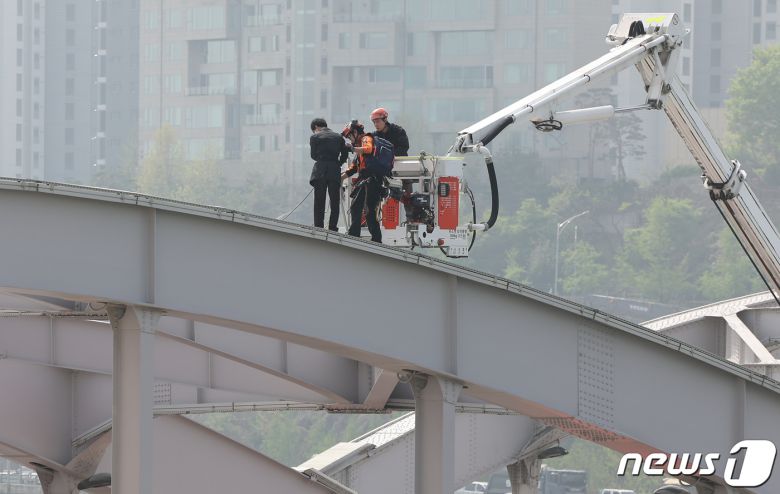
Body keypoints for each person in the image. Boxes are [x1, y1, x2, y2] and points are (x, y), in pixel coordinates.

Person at [342, 121, 382, 243]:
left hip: (372, 179)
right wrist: (339, 177)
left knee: (369, 211)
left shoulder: (366, 138)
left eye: (350, 136)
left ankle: (376, 239)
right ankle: (354, 235)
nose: (349, 139)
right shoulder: (359, 150)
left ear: (355, 132)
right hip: (364, 180)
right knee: (356, 207)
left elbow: (369, 149)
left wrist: (353, 148)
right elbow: (353, 168)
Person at [309, 117, 348, 231]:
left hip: (320, 170)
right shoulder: (338, 137)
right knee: (334, 200)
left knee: (319, 200)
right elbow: (344, 155)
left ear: (316, 127)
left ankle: (319, 226)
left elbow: (313, 155)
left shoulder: (314, 137)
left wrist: (322, 160)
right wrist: (337, 163)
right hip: (334, 170)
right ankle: (332, 227)